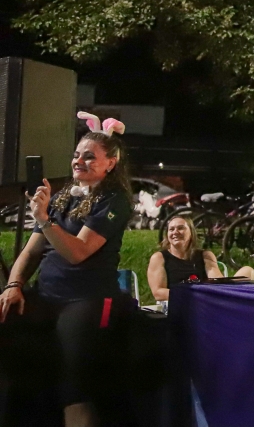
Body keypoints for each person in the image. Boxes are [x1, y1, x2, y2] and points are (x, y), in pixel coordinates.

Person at [0, 113, 133, 427]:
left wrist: (44, 219)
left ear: (111, 163)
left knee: (74, 387)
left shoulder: (114, 200)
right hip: (46, 296)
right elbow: (31, 251)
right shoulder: (61, 197)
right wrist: (13, 285)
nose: (79, 161)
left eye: (89, 157)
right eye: (76, 155)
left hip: (87, 300)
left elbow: (78, 252)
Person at [146, 214, 254, 306]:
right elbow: (158, 293)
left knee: (248, 271)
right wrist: (194, 295)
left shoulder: (205, 255)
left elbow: (217, 281)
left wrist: (217, 291)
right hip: (178, 305)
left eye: (180, 228)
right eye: (171, 229)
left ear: (191, 233)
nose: (175, 232)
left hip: (206, 303)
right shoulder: (159, 258)